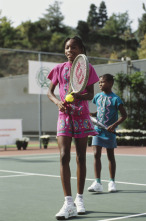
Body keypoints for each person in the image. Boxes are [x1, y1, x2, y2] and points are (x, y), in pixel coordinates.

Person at [47, 36, 99, 220]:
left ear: (81, 50)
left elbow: (91, 94)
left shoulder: (88, 68)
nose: (70, 50)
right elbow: (49, 92)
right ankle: (68, 203)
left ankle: (80, 199)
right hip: (64, 116)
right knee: (63, 156)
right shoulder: (59, 69)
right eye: (67, 47)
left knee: (81, 158)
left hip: (82, 117)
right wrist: (57, 103)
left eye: (74, 47)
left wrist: (78, 95)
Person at [88, 74, 127, 193]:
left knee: (110, 156)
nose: (100, 84)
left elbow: (124, 115)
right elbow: (99, 110)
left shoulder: (116, 99)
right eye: (99, 83)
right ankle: (98, 182)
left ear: (110, 83)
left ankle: (112, 182)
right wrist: (91, 115)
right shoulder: (97, 97)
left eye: (102, 82)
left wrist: (114, 125)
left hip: (110, 133)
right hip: (97, 130)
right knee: (96, 155)